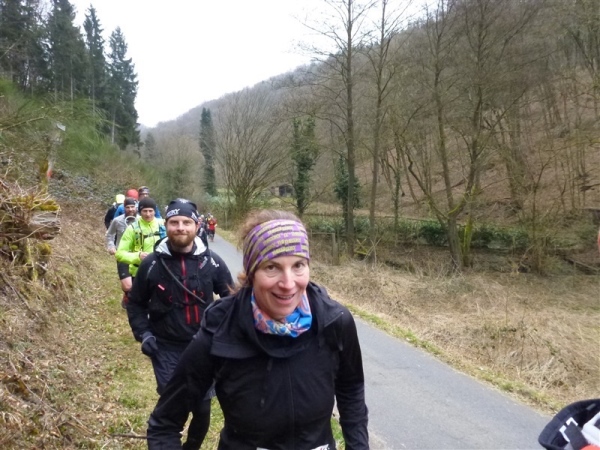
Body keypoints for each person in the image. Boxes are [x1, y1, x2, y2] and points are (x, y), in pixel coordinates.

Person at [146, 209, 369, 450]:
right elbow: (164, 424)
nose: (288, 284)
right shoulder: (221, 328)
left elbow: (351, 390)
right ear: (251, 273)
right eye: (272, 267)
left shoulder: (334, 321)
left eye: (298, 265)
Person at [127, 198, 234, 450]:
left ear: (196, 226)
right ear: (166, 225)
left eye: (186, 222)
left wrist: (227, 334)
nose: (180, 227)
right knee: (175, 406)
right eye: (174, 222)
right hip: (165, 347)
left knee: (202, 408)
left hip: (203, 347)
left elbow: (232, 300)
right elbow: (136, 304)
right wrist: (144, 334)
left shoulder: (212, 262)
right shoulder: (151, 264)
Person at [115, 197, 165, 282]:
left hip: (161, 272)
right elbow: (119, 254)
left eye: (150, 211)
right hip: (139, 273)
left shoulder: (163, 225)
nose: (148, 214)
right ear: (140, 212)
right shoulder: (132, 229)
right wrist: (138, 256)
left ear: (155, 211)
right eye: (145, 211)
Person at [105, 197, 138, 308]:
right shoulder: (117, 220)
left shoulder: (141, 220)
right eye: (128, 207)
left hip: (137, 255)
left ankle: (134, 301)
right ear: (124, 208)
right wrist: (111, 246)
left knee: (136, 281)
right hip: (122, 254)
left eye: (132, 207)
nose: (130, 209)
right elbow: (109, 234)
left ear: (136, 207)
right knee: (127, 285)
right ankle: (127, 294)